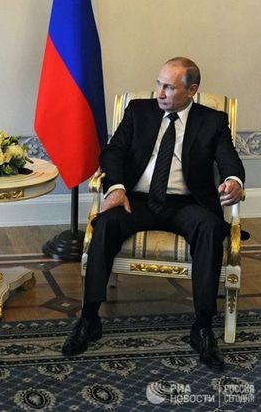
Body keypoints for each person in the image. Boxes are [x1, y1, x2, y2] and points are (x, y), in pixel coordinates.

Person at [62, 57, 245, 370]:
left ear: (191, 90)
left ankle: (202, 327)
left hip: (187, 204)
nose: (159, 92)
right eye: (159, 84)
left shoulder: (212, 121)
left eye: (169, 87)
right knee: (104, 223)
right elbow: (113, 152)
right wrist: (116, 187)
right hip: (137, 201)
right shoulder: (139, 111)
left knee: (211, 228)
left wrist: (233, 181)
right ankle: (89, 319)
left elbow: (229, 160)